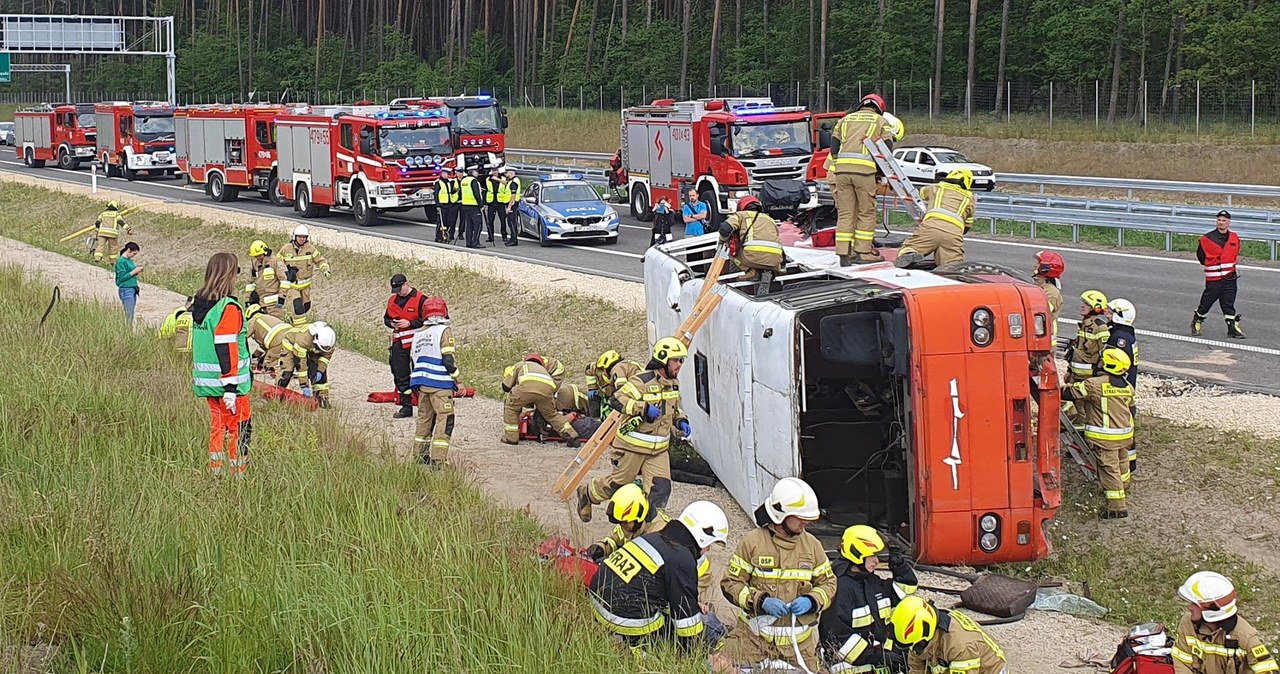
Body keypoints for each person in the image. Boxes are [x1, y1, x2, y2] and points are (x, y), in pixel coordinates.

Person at [718, 477, 837, 671]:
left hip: (798, 648)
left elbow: (829, 584)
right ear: (781, 514)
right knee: (718, 666)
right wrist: (760, 601)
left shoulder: (812, 546)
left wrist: (812, 600)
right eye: (800, 518)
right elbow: (730, 583)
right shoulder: (753, 542)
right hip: (752, 641)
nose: (805, 524)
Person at [588, 500, 729, 653]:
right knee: (700, 633)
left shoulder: (655, 537)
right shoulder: (682, 558)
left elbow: (653, 587)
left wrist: (693, 603)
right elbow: (686, 623)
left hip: (597, 602)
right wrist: (695, 651)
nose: (708, 549)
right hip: (624, 618)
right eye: (710, 544)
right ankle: (638, 648)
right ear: (703, 535)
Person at [576, 338, 691, 520]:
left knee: (660, 490)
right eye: (676, 360)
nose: (680, 365)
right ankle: (588, 493)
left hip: (658, 451)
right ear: (663, 359)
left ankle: (646, 529)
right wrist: (643, 408)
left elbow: (673, 408)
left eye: (681, 360)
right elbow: (617, 399)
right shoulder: (641, 381)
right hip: (632, 448)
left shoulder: (673, 384)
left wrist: (680, 420)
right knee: (619, 484)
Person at [820, 525, 920, 674]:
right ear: (857, 554)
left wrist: (899, 565)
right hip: (853, 668)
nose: (877, 560)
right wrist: (879, 657)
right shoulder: (839, 589)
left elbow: (905, 592)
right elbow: (840, 639)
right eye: (872, 555)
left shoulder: (871, 581)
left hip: (878, 666)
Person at [190, 252, 253, 477]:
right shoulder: (228, 308)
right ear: (229, 275)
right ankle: (238, 476)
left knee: (218, 428)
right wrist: (230, 389)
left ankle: (215, 474)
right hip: (231, 386)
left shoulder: (198, 303)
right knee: (240, 429)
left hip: (208, 385)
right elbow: (225, 348)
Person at [1061, 347, 1134, 519]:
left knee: (1109, 469)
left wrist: (1053, 389)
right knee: (1122, 463)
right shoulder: (1128, 387)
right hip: (1125, 435)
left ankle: (1117, 507)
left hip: (1105, 438)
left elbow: (1071, 393)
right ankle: (1124, 486)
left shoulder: (1095, 385)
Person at [827, 94, 895, 266]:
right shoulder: (880, 121)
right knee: (866, 212)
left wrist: (839, 163)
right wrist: (880, 171)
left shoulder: (845, 120)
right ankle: (863, 252)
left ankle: (844, 253)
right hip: (864, 172)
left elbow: (834, 145)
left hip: (841, 172)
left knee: (845, 213)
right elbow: (886, 148)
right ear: (879, 107)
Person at [1172, 571, 1277, 674]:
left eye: (1195, 604)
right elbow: (1181, 664)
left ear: (1212, 611)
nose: (1189, 607)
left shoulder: (1244, 636)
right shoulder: (1187, 624)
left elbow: (1267, 669)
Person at [889, 596, 1007, 674]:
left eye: (916, 646)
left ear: (925, 638)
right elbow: (916, 666)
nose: (914, 650)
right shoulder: (920, 635)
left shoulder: (960, 647)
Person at [409, 297, 458, 467]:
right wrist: (458, 381)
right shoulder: (444, 331)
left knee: (424, 420)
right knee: (445, 420)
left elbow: (413, 362)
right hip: (441, 385)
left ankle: (419, 456)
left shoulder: (418, 334)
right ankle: (438, 459)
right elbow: (448, 360)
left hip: (423, 385)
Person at [895, 168, 976, 269]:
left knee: (910, 248)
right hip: (954, 233)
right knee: (953, 265)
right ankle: (949, 268)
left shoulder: (936, 187)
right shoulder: (970, 198)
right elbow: (968, 224)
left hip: (932, 226)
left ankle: (910, 254)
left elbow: (920, 194)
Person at [501, 354, 580, 447]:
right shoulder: (543, 370)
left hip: (526, 387)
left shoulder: (521, 365)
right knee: (552, 415)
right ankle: (573, 437)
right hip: (547, 390)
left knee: (511, 408)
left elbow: (506, 387)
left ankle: (511, 438)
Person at [384, 274, 431, 419]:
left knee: (422, 373)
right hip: (399, 342)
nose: (398, 292)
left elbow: (428, 320)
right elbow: (386, 318)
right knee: (400, 373)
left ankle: (427, 405)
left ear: (406, 284)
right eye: (396, 289)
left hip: (418, 343)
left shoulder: (422, 299)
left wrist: (410, 323)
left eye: (400, 288)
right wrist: (392, 323)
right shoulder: (393, 300)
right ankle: (406, 406)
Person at [1193, 210, 1244, 339]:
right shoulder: (1206, 239)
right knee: (1206, 303)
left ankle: (1232, 328)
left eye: (1224, 220)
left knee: (1228, 304)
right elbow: (1201, 256)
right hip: (1214, 278)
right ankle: (1197, 320)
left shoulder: (1234, 238)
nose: (1221, 223)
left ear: (1229, 222)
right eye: (1219, 220)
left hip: (1230, 277)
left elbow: (1235, 253)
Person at [719, 195, 784, 296]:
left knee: (732, 252)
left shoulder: (741, 215)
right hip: (775, 259)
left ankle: (750, 271)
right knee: (763, 260)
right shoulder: (770, 219)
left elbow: (725, 229)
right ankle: (767, 273)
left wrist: (722, 243)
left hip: (751, 256)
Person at [1107, 298, 1140, 475]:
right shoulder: (1124, 334)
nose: (1107, 314)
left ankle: (1129, 465)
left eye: (1110, 312)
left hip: (1122, 388)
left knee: (1124, 426)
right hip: (1127, 387)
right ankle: (1130, 463)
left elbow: (1118, 365)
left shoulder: (1120, 338)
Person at [277, 322, 337, 409]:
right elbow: (301, 365)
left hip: (312, 347)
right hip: (291, 344)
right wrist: (304, 386)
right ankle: (277, 394)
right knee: (287, 373)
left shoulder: (328, 342)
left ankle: (322, 398)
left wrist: (320, 370)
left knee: (318, 371)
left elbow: (325, 357)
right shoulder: (303, 340)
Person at [280, 225, 330, 327]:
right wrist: (286, 272)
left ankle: (292, 322)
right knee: (297, 306)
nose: (302, 239)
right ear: (295, 237)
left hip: (305, 286)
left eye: (304, 237)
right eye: (300, 237)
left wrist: (325, 269)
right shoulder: (286, 249)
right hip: (292, 286)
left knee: (306, 307)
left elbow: (320, 260)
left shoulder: (310, 249)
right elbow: (277, 263)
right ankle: (299, 329)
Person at [1065, 290, 1111, 384]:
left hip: (1089, 378)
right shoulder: (1084, 325)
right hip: (1075, 376)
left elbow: (1105, 354)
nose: (1083, 306)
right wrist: (1069, 371)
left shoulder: (1101, 328)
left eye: (1087, 304)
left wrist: (1097, 377)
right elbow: (1078, 350)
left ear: (1096, 308)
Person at [584, 350, 643, 419]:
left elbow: (621, 391)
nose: (602, 372)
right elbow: (589, 368)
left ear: (608, 367)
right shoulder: (598, 369)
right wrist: (592, 388)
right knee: (594, 397)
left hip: (638, 394)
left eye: (603, 369)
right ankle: (596, 419)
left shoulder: (618, 369)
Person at [244, 303, 293, 376]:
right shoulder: (268, 317)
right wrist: (255, 355)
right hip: (292, 335)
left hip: (278, 341)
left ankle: (280, 372)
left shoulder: (253, 320)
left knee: (267, 365)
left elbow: (242, 336)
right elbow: (263, 346)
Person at [246, 240, 287, 319]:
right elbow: (250, 284)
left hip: (274, 305)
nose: (258, 258)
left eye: (259, 255)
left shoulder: (275, 262)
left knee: (276, 326)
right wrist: (248, 299)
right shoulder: (255, 265)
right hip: (260, 304)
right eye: (256, 256)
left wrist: (282, 297)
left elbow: (285, 281)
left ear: (265, 252)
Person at [1033, 250, 1066, 338]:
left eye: (1038, 263)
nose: (1035, 265)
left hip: (1045, 340)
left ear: (1045, 268)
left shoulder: (1051, 293)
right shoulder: (1040, 286)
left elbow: (1039, 314)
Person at [93, 200, 131, 264]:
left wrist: (96, 231)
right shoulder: (116, 214)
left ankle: (97, 259)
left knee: (100, 246)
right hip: (112, 234)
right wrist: (128, 229)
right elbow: (121, 222)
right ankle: (112, 262)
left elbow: (97, 223)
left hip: (102, 233)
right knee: (113, 247)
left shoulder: (103, 214)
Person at [114, 242, 142, 324]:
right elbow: (121, 278)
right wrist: (133, 272)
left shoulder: (129, 261)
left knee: (131, 313)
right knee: (128, 314)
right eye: (133, 253)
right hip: (126, 289)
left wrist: (137, 271)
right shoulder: (121, 262)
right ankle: (127, 331)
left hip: (133, 288)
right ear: (129, 250)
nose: (134, 255)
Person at [461, 166, 485, 249]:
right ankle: (476, 242)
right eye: (476, 171)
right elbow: (476, 194)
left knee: (469, 225)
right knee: (478, 225)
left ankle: (468, 242)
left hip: (465, 205)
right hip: (474, 205)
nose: (477, 173)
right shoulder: (474, 181)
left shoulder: (463, 180)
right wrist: (481, 205)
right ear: (473, 172)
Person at [433, 167, 458, 243]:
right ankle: (439, 237)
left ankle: (445, 236)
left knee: (447, 221)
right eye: (446, 174)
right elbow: (436, 194)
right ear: (442, 174)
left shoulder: (448, 182)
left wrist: (456, 190)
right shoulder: (438, 183)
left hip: (448, 204)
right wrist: (438, 205)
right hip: (442, 205)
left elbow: (449, 192)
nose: (447, 175)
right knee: (441, 222)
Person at [503, 167, 523, 247]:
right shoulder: (512, 181)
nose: (505, 174)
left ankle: (514, 239)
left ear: (511, 173)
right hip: (512, 203)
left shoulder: (513, 182)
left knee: (511, 222)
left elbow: (513, 195)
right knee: (511, 221)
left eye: (506, 173)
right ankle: (512, 239)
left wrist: (509, 207)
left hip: (512, 204)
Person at [484, 167, 501, 244]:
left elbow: (506, 184)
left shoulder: (502, 178)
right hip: (491, 202)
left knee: (503, 220)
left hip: (500, 202)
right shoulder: (488, 179)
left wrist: (497, 179)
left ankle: (504, 236)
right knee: (490, 221)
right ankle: (490, 236)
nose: (495, 172)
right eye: (493, 171)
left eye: (496, 171)